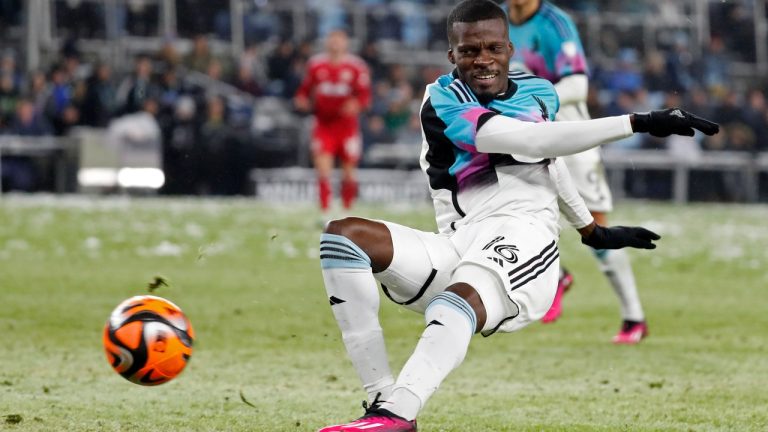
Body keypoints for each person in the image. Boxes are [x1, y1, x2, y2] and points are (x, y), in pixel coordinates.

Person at [315, 1, 718, 431]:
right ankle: (380, 403)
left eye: (493, 48)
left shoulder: (540, 91)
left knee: (460, 298)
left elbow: (549, 162)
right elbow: (526, 141)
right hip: (461, 242)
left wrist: (591, 231)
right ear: (452, 55)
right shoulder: (442, 98)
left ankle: (399, 414)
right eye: (469, 51)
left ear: (510, 48)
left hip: (526, 239)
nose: (483, 60)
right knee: (342, 237)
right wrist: (637, 122)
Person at [505, 0, 649, 342]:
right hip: (524, 134)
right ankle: (554, 275)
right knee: (512, 212)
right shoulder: (496, 19)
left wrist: (529, 98)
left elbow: (578, 86)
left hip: (572, 135)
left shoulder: (555, 23)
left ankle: (634, 317)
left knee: (595, 227)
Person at [294, 29, 372, 213]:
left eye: (340, 39)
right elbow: (303, 91)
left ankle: (347, 208)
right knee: (322, 168)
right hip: (323, 124)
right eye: (333, 39)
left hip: (347, 127)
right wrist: (302, 101)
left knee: (348, 171)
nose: (336, 43)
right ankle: (325, 210)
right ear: (327, 42)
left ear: (346, 43)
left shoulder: (356, 67)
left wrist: (356, 105)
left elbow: (365, 97)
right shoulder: (315, 65)